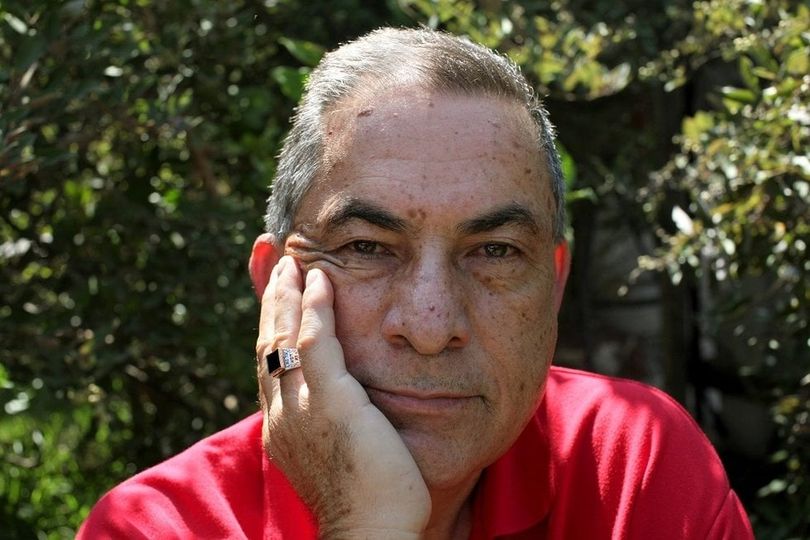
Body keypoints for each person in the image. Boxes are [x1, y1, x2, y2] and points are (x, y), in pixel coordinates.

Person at [79, 27, 754, 539]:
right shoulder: (153, 528)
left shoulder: (632, 470)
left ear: (553, 286)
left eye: (494, 251)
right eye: (367, 247)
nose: (431, 328)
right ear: (274, 286)